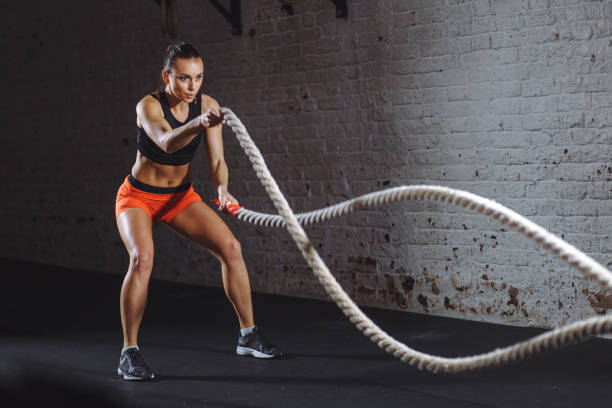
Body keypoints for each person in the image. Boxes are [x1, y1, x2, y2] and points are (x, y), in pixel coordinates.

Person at [114, 42, 282, 381]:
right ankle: (128, 352)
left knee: (232, 248)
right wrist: (199, 123)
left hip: (179, 197)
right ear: (167, 76)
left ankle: (248, 335)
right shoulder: (148, 105)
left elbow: (217, 161)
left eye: (199, 78)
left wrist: (222, 190)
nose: (193, 87)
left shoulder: (207, 106)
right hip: (139, 197)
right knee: (141, 259)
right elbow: (165, 142)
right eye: (184, 79)